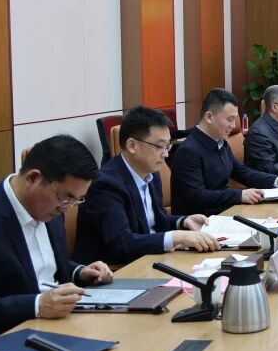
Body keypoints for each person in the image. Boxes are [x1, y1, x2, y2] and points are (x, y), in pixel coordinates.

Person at [0, 135, 113, 338]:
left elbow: (39, 265)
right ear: (32, 178)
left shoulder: (50, 208)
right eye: (66, 198)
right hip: (5, 338)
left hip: (57, 326)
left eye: (77, 200)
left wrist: (79, 272)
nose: (66, 208)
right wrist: (36, 305)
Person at [75, 107, 220, 265]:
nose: (165, 154)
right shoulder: (106, 185)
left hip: (150, 259)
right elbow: (122, 243)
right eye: (159, 146)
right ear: (132, 146)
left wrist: (183, 221)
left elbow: (152, 221)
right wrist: (177, 237)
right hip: (118, 269)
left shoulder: (151, 174)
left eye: (167, 146)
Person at [168, 88, 278, 216]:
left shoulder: (220, 143)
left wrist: (277, 180)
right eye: (230, 119)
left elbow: (242, 172)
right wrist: (239, 195)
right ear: (209, 117)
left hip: (224, 211)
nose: (233, 126)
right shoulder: (188, 151)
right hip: (201, 222)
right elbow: (197, 196)